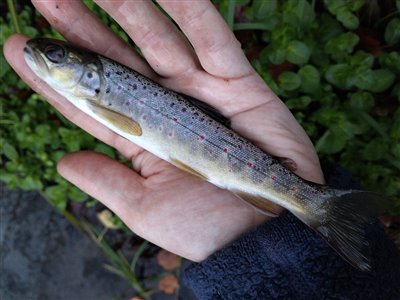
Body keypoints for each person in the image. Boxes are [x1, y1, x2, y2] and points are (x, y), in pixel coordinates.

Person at [5, 1, 399, 298]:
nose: (46, 55)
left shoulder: (99, 93)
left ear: (88, 75)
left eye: (55, 56)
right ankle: (322, 206)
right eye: (54, 54)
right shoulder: (94, 93)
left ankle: (320, 204)